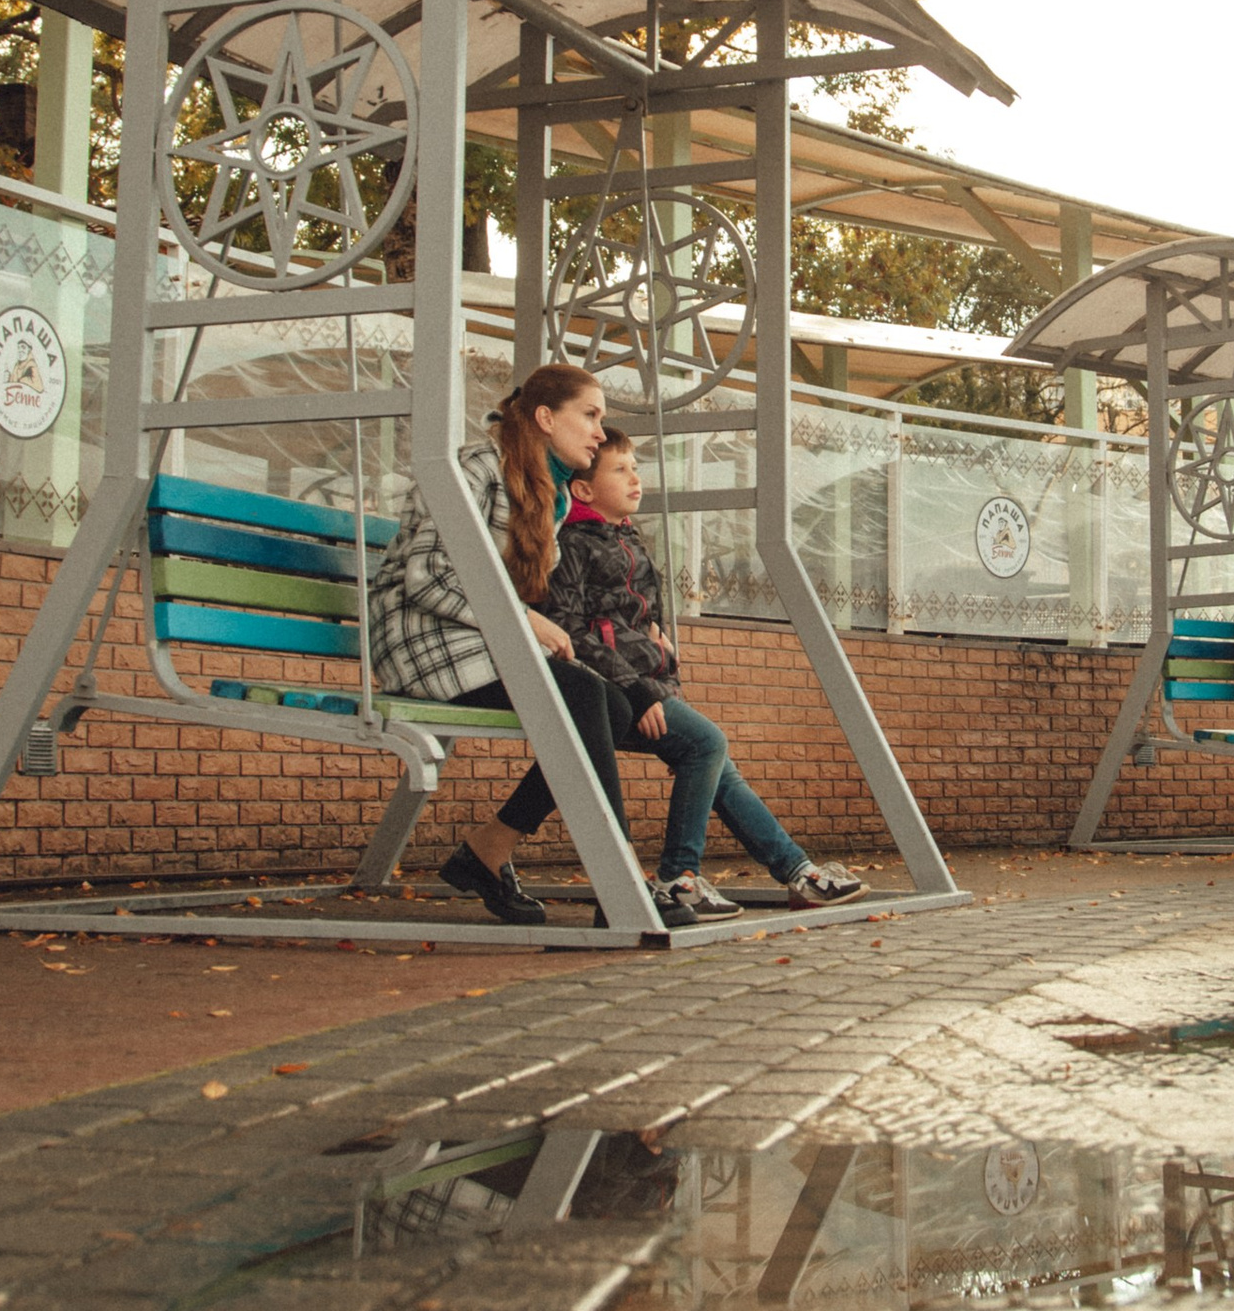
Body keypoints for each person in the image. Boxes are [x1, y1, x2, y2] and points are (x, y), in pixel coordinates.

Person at [553, 427, 870, 923]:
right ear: (583, 490)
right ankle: (679, 876)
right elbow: (571, 626)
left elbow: (630, 611)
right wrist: (634, 690)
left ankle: (797, 872)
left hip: (646, 682)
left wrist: (655, 633)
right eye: (620, 469)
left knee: (717, 765)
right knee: (706, 745)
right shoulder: (574, 542)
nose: (635, 476)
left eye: (636, 466)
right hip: (617, 691)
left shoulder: (625, 534)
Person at [367, 362, 631, 924]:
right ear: (544, 417)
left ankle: (489, 849)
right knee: (585, 701)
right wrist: (523, 623)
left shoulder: (547, 493)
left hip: (474, 639)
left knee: (613, 706)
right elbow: (428, 577)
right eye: (589, 415)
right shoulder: (476, 466)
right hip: (423, 638)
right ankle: (622, 881)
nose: (600, 433)